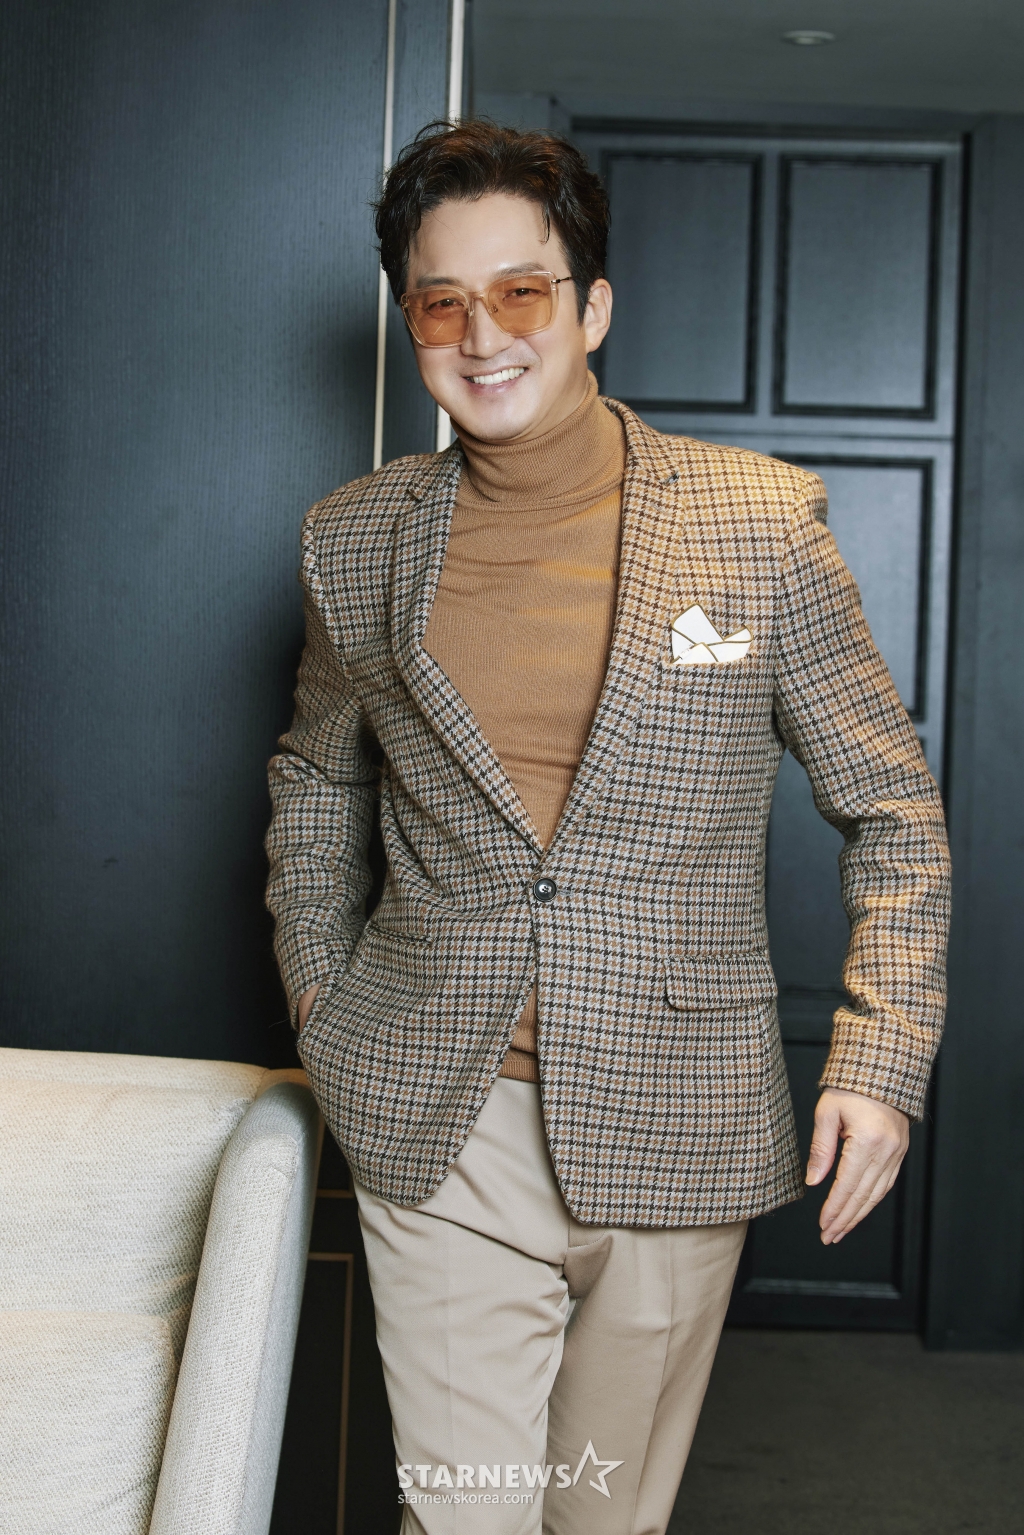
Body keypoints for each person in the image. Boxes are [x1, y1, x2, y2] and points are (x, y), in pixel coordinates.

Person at [265, 121, 950, 1535]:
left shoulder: (760, 522)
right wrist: (323, 999)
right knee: (465, 1517)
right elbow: (318, 782)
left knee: (605, 1521)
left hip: (679, 1112)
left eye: (522, 292)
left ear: (592, 309)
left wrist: (882, 1060)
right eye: (442, 303)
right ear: (412, 325)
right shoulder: (354, 538)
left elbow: (892, 810)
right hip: (437, 1111)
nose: (483, 336)